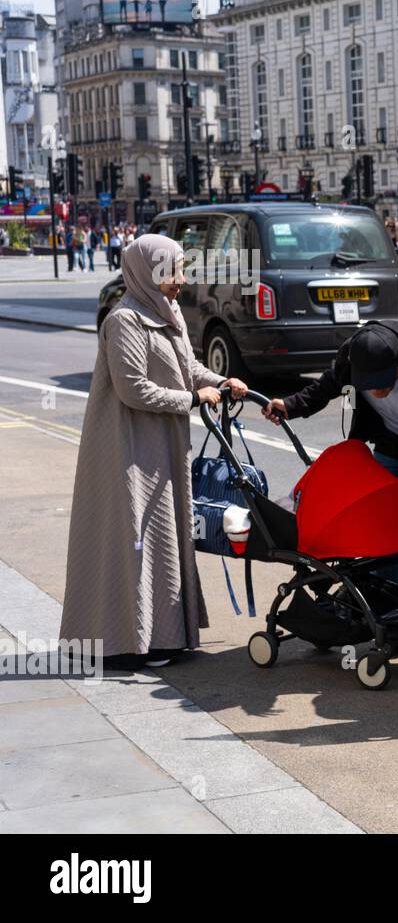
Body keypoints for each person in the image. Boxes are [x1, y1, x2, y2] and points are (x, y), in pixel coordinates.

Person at [60, 234, 247, 671]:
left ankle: (164, 635)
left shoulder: (167, 311)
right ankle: (126, 643)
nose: (181, 280)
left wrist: (219, 381)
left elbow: (186, 368)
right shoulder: (124, 320)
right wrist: (194, 399)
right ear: (147, 272)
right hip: (129, 447)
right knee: (136, 540)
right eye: (172, 271)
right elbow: (133, 388)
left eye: (181, 270)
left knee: (166, 535)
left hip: (162, 444)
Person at [262, 321, 398, 594]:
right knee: (377, 523)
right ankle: (389, 603)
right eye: (369, 386)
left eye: (383, 385)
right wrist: (291, 405)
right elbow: (328, 384)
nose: (376, 392)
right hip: (392, 446)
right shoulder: (353, 354)